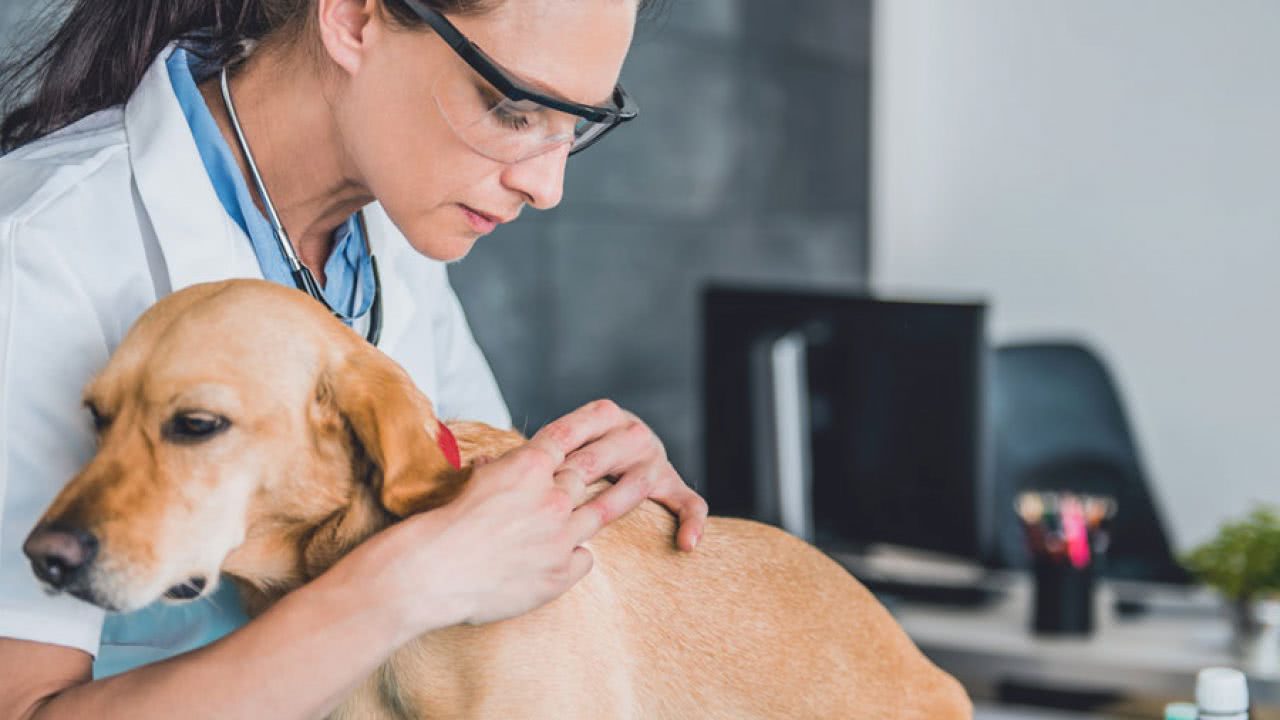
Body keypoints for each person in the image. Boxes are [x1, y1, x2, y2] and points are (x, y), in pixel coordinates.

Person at [0, 0, 710, 716]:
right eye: (512, 110)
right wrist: (400, 589)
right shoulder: (33, 251)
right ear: (352, 20)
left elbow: (483, 549)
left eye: (578, 124)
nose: (546, 187)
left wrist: (595, 502)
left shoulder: (390, 228)